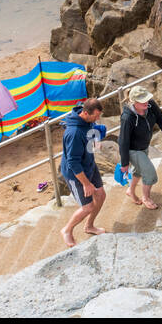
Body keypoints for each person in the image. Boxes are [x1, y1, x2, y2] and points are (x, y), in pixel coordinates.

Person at [117, 86, 162, 210]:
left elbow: (161, 120)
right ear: (134, 102)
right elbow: (123, 141)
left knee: (139, 171)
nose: (146, 102)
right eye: (142, 100)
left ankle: (131, 190)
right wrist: (124, 163)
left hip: (144, 145)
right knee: (150, 174)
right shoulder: (127, 117)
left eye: (147, 99)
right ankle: (146, 198)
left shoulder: (150, 105)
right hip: (133, 149)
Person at [59, 98, 107, 246]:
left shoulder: (87, 119)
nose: (97, 119)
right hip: (76, 173)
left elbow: (92, 131)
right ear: (85, 113)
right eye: (95, 116)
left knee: (101, 194)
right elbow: (73, 162)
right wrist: (86, 184)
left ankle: (89, 226)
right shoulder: (73, 134)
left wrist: (95, 138)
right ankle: (67, 230)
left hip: (89, 164)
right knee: (88, 207)